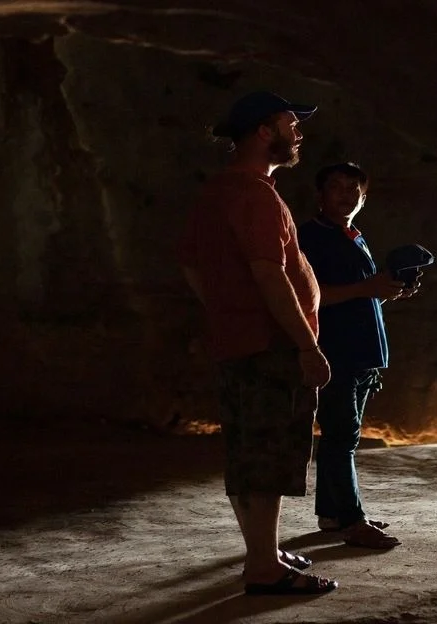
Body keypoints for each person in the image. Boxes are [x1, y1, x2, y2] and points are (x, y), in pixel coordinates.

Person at [177, 91, 338, 595]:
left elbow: (189, 265)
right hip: (271, 347)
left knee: (247, 451)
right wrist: (306, 345)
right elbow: (270, 274)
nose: (299, 133)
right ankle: (264, 570)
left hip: (240, 342)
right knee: (269, 455)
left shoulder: (216, 192)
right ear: (264, 132)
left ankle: (262, 553)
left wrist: (228, 313)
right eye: (292, 124)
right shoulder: (255, 194)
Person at [297, 162, 420, 549]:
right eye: (337, 187)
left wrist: (385, 289)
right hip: (336, 351)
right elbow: (312, 294)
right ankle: (352, 521)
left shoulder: (351, 235)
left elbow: (359, 292)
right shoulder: (310, 238)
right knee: (341, 436)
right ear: (320, 196)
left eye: (355, 189)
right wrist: (369, 286)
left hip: (361, 352)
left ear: (363, 199)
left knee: (341, 435)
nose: (347, 195)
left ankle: (332, 514)